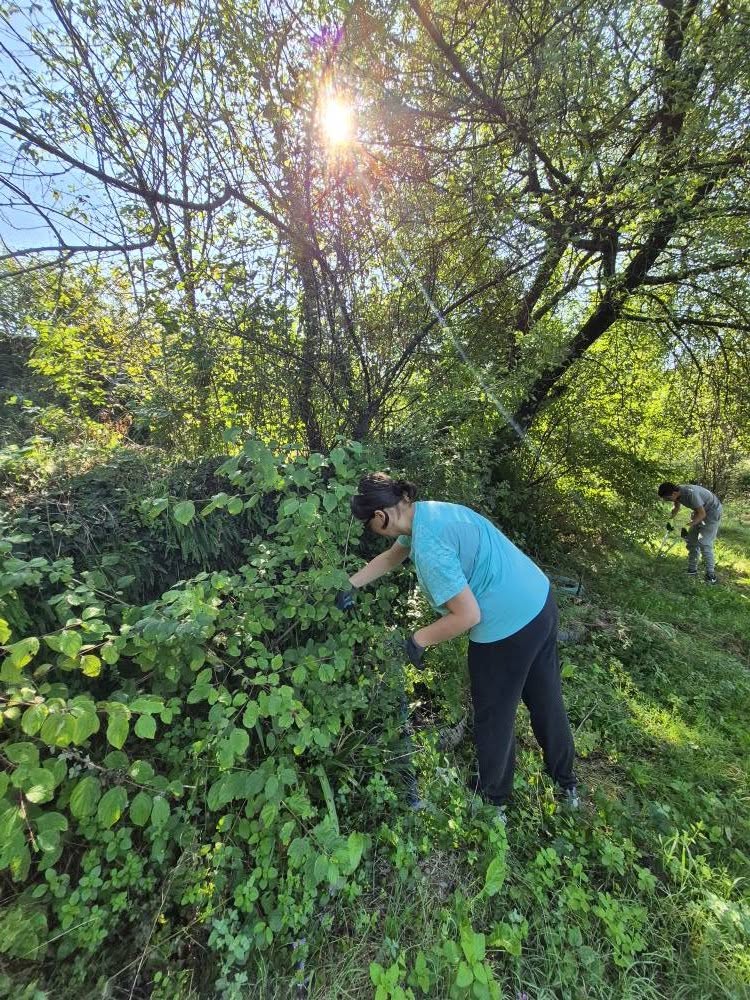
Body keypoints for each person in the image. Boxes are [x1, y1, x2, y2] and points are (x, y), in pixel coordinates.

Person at [336, 472, 578, 816]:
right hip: (538, 599)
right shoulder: (428, 514)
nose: (370, 533)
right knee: (545, 697)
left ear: (379, 517)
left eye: (368, 525)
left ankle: (493, 804)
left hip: (507, 623)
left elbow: (467, 616)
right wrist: (350, 585)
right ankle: (567, 784)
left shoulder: (429, 547)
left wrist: (418, 640)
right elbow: (392, 557)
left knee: (494, 713)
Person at [658, 481, 722, 583]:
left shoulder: (690, 494)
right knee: (691, 541)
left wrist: (688, 526)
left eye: (668, 499)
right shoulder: (677, 493)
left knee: (704, 542)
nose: (668, 501)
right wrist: (670, 520)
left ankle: (711, 575)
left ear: (674, 494)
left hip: (712, 511)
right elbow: (676, 507)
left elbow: (702, 514)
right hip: (699, 510)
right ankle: (692, 570)